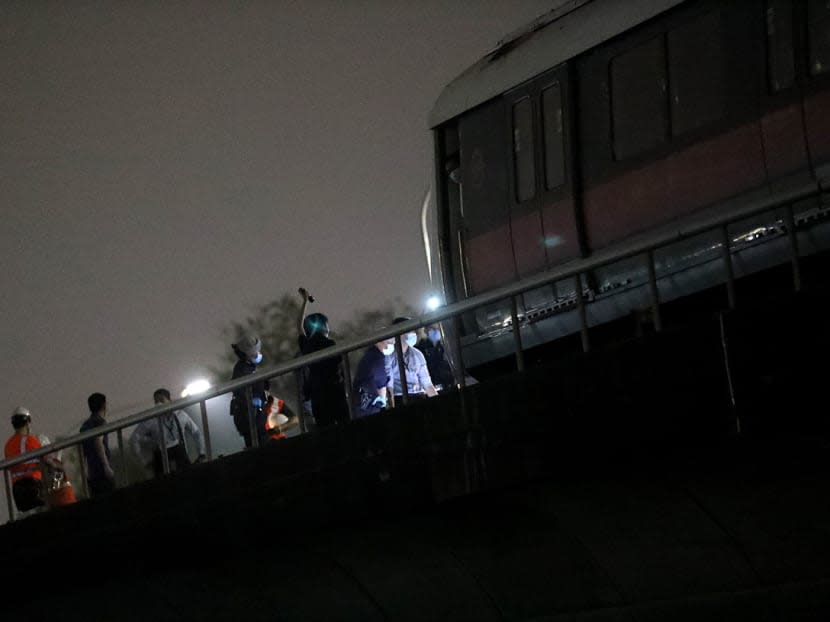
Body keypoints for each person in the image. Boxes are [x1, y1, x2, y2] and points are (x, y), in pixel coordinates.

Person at [297, 287, 349, 427]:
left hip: (317, 396)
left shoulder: (306, 345)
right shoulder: (330, 344)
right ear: (324, 327)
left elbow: (299, 326)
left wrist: (305, 302)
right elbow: (339, 365)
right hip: (335, 393)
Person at [130, 388, 206, 478]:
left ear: (170, 401)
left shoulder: (180, 415)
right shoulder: (151, 420)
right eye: (156, 401)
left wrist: (201, 453)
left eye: (161, 400)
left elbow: (196, 433)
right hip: (161, 464)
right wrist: (144, 462)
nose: (158, 404)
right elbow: (134, 438)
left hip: (182, 461)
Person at [385, 317, 439, 405]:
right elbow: (389, 387)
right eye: (410, 330)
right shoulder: (389, 356)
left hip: (419, 396)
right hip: (399, 399)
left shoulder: (418, 354)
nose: (414, 333)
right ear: (400, 332)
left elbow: (428, 385)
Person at [4, 406, 46, 514]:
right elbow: (45, 461)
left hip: (17, 490)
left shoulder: (8, 445)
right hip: (33, 486)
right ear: (28, 422)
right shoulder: (31, 440)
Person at [229, 334, 269, 448]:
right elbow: (239, 391)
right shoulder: (241, 370)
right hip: (250, 419)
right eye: (253, 354)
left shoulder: (250, 367)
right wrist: (252, 401)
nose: (257, 355)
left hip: (256, 417)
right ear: (245, 355)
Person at [80, 392, 116, 497]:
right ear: (104, 405)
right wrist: (106, 466)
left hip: (91, 472)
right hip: (102, 471)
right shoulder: (100, 422)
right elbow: (98, 441)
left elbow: (83, 451)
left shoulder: (84, 426)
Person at [352, 338, 394, 418]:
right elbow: (381, 385)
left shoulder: (372, 355)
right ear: (380, 341)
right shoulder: (376, 359)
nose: (393, 343)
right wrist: (383, 402)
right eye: (391, 341)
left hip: (364, 406)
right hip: (368, 409)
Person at [38, 434, 77, 508]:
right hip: (57, 500)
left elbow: (56, 481)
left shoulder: (54, 463)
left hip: (64, 499)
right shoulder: (45, 465)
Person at [415, 323, 456, 392]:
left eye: (437, 329)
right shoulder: (421, 348)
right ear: (426, 331)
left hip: (446, 383)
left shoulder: (441, 346)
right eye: (433, 329)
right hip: (432, 384)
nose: (436, 331)